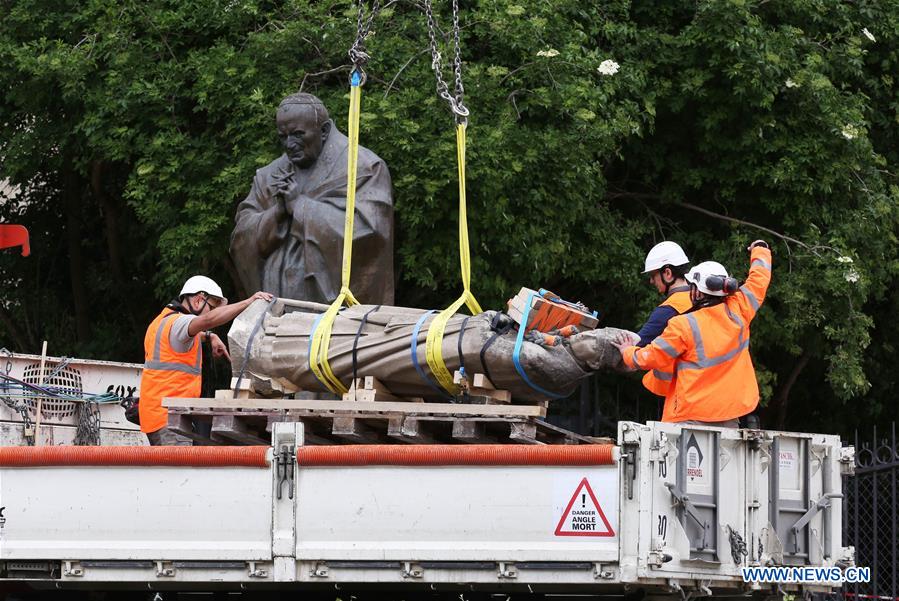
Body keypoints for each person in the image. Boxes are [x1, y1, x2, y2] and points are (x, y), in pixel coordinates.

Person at [230, 92, 394, 305]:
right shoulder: (270, 175)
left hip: (336, 319)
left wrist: (300, 207)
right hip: (273, 309)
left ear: (324, 130)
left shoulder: (363, 168)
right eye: (283, 136)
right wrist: (277, 213)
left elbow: (371, 232)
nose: (290, 144)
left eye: (298, 134)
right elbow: (241, 235)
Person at [612, 240, 772, 427]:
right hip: (729, 415)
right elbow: (759, 279)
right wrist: (761, 250)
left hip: (690, 417)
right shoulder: (740, 309)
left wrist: (628, 352)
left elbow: (650, 357)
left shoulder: (684, 325)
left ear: (697, 292)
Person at [139, 275, 273, 445]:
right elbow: (207, 320)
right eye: (212, 307)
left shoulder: (162, 321)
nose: (212, 313)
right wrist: (249, 301)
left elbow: (187, 336)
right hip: (168, 418)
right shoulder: (180, 323)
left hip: (157, 414)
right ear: (197, 301)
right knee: (178, 471)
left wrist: (209, 336)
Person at [635, 241, 693, 397]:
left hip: (682, 396)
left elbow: (635, 344)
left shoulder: (668, 310)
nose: (651, 281)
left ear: (667, 273)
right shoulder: (705, 299)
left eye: (653, 275)